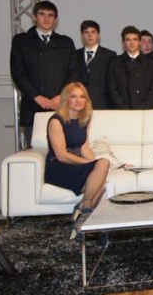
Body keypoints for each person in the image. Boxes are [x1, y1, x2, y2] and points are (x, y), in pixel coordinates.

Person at [43, 82, 109, 238]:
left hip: (74, 164)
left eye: (82, 97)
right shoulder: (56, 121)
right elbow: (62, 155)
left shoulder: (85, 118)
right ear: (66, 99)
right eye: (73, 97)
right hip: (58, 167)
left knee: (102, 182)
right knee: (103, 164)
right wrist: (91, 165)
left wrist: (95, 166)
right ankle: (85, 207)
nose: (78, 101)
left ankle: (82, 220)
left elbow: (84, 147)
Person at [10, 0, 78, 147]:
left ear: (55, 19)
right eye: (42, 14)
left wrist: (60, 96)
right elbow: (18, 73)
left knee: (64, 150)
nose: (46, 19)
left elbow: (73, 73)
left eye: (50, 15)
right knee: (35, 150)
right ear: (34, 17)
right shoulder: (21, 41)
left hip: (61, 106)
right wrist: (36, 96)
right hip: (33, 106)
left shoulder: (66, 42)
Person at [108, 25, 153, 109]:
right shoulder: (115, 63)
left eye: (135, 39)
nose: (132, 43)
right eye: (128, 40)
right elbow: (112, 89)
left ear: (139, 42)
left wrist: (144, 108)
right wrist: (124, 108)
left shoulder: (151, 63)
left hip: (145, 111)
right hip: (122, 111)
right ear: (123, 43)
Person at [76, 20, 116, 110]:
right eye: (86, 32)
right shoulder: (75, 55)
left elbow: (112, 83)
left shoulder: (109, 55)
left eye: (93, 32)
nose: (90, 35)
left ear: (98, 35)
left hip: (102, 104)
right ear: (82, 35)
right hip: (80, 104)